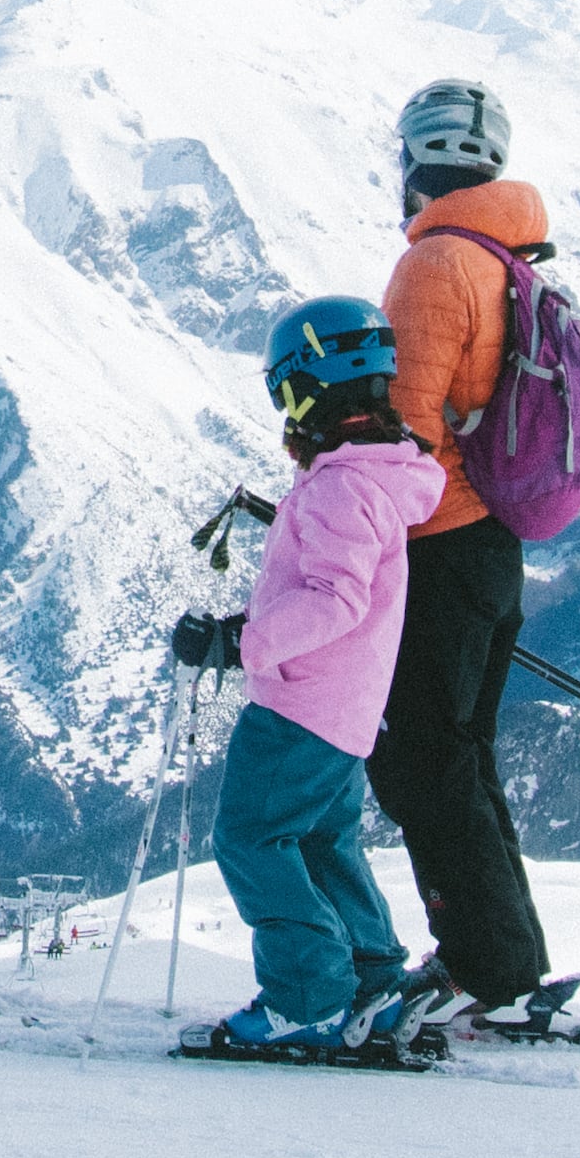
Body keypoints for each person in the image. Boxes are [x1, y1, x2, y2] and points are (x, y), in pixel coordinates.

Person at [195, 298, 450, 1052]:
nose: (283, 411)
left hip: (301, 703)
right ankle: (370, 975)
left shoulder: (342, 486)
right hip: (345, 708)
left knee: (251, 836)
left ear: (313, 389)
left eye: (285, 392)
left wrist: (241, 639)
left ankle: (305, 996)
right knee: (322, 842)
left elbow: (335, 597)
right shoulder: (372, 475)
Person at [369, 78, 570, 1027]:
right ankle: (505, 959)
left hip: (439, 542)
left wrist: (350, 538)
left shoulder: (434, 267)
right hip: (493, 539)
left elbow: (399, 429)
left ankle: (483, 966)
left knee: (420, 762)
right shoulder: (504, 255)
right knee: (462, 755)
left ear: (419, 160)